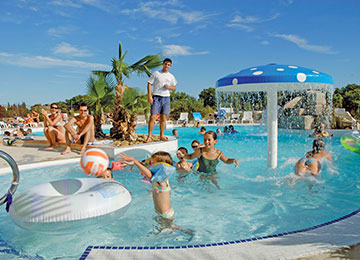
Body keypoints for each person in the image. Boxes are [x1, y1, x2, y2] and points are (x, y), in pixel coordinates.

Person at [118, 151, 176, 220]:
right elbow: (145, 168)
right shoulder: (160, 178)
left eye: (153, 164)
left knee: (166, 229)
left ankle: (183, 230)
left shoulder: (162, 180)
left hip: (166, 214)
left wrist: (134, 160)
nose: (151, 166)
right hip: (162, 213)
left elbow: (149, 175)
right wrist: (134, 163)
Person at [145, 58, 177, 143]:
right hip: (156, 97)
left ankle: (161, 136)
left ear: (170, 66)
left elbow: (174, 87)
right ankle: (149, 136)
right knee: (153, 117)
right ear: (163, 64)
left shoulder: (171, 76)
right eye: (165, 64)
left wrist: (168, 87)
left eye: (169, 65)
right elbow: (149, 83)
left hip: (166, 98)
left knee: (163, 118)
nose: (167, 66)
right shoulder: (156, 73)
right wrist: (149, 95)